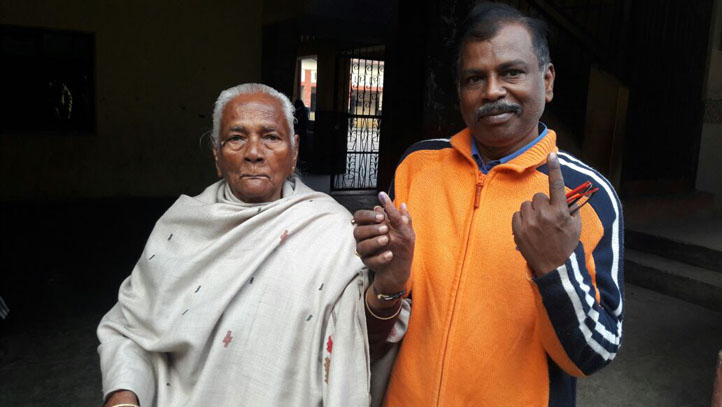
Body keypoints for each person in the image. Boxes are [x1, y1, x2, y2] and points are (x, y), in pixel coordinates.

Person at [352, 3, 624, 406]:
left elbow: (593, 354)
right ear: (460, 92)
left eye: (511, 72)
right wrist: (388, 282)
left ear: (547, 81)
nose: (492, 91)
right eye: (474, 78)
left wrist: (555, 268)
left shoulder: (587, 195)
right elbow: (375, 325)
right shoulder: (418, 166)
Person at [97, 83, 408, 407]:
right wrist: (122, 399)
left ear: (294, 151)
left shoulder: (331, 229)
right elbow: (129, 328)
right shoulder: (179, 227)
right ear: (217, 156)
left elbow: (361, 339)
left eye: (271, 137)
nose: (254, 152)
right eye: (236, 137)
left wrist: (389, 285)